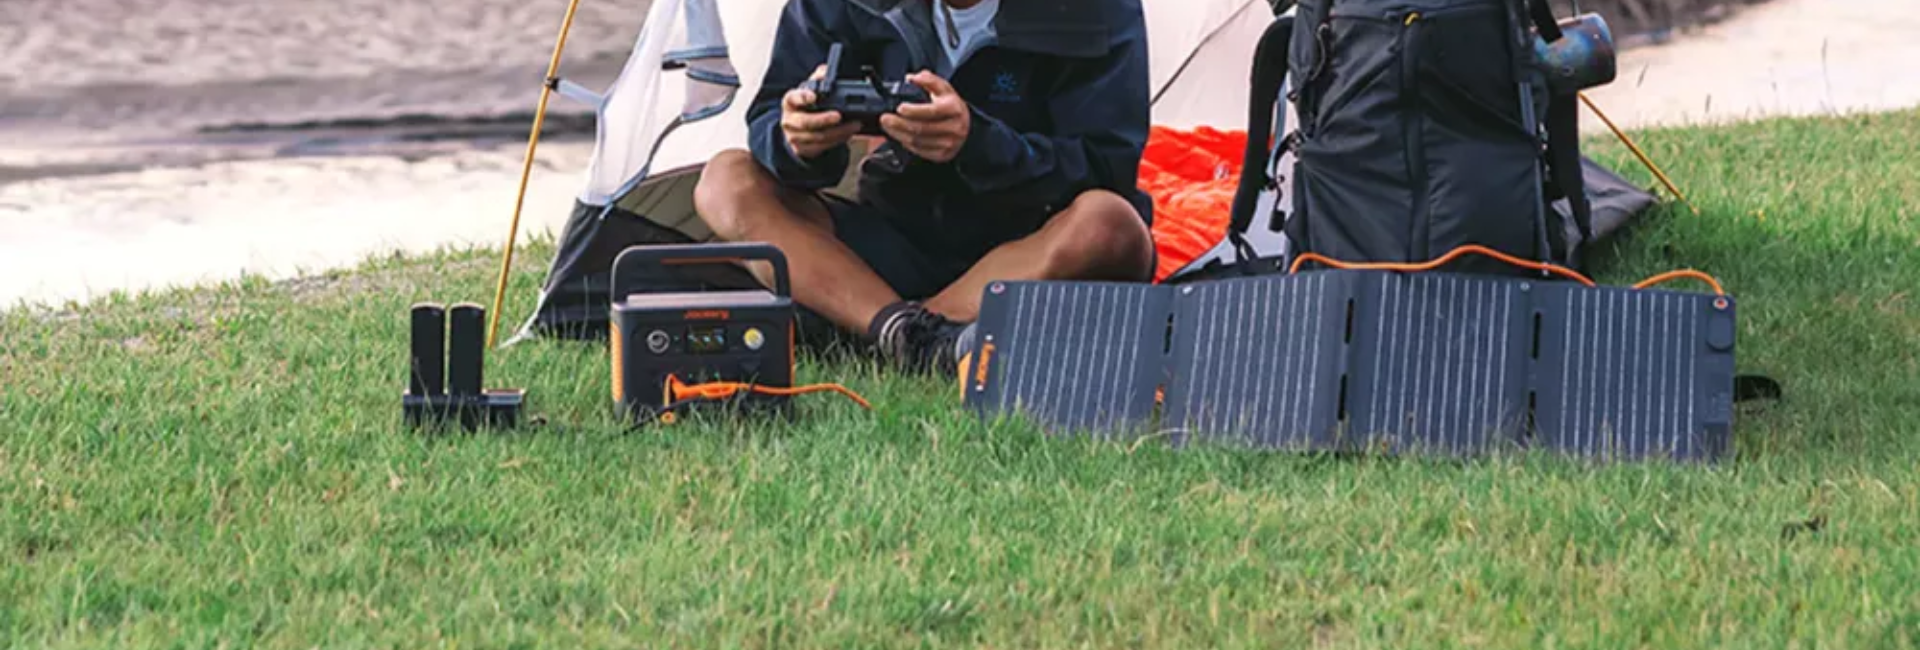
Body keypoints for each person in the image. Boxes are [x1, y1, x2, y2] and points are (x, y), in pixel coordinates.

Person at [693, 0, 1156, 374]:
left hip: (1026, 249)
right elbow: (771, 118)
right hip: (892, 240)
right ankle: (909, 333)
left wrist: (978, 144)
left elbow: (1108, 166)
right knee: (726, 181)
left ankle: (895, 333)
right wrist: (798, 142)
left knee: (1108, 223)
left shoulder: (1097, 9)